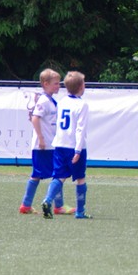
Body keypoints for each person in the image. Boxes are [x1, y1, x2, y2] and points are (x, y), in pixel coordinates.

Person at [42, 71, 91, 220]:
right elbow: (80, 129)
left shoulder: (62, 102)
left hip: (60, 145)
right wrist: (78, 150)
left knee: (59, 176)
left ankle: (48, 200)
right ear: (81, 87)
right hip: (73, 146)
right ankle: (80, 212)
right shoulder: (82, 104)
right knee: (80, 178)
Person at [18, 69, 62, 214]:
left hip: (50, 144)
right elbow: (35, 118)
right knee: (55, 173)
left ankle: (27, 205)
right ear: (45, 84)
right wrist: (41, 138)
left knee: (51, 173)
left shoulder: (49, 100)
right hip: (44, 145)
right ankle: (57, 206)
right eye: (55, 83)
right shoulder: (44, 101)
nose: (58, 86)